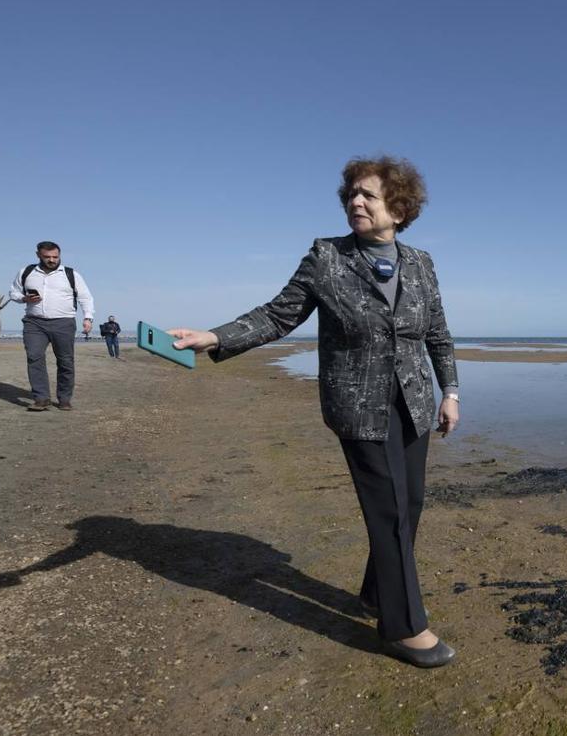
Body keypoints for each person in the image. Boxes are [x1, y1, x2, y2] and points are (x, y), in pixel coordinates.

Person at [169, 155, 461, 668]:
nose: (356, 202)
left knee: (410, 505)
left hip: (413, 402)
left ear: (400, 206)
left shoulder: (421, 263)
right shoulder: (327, 256)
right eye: (351, 194)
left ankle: (376, 594)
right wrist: (215, 337)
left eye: (368, 195)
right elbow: (279, 314)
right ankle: (402, 626)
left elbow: (436, 333)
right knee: (389, 511)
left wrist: (450, 392)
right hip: (358, 405)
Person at [9, 241, 96, 411]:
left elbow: (86, 297)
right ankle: (41, 399)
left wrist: (88, 318)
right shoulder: (26, 272)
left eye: (55, 257)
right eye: (47, 257)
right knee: (34, 357)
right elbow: (13, 293)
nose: (52, 260)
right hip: (34, 322)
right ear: (38, 255)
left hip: (63, 322)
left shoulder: (71, 274)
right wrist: (25, 298)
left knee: (65, 361)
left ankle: (64, 399)